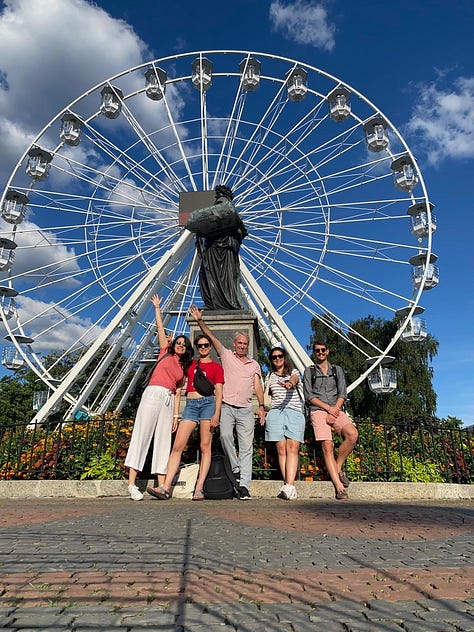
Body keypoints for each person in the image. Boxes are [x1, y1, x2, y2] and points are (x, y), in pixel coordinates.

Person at [189, 304, 266, 500]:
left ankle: (244, 486)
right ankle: (236, 467)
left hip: (246, 409)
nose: (242, 346)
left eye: (245, 344)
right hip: (227, 406)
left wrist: (262, 406)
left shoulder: (254, 364)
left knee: (247, 447)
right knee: (224, 437)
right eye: (239, 343)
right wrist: (199, 320)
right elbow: (212, 338)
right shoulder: (226, 355)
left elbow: (257, 386)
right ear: (234, 344)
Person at [125, 294, 194, 500]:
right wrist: (157, 308)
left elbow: (178, 391)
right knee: (142, 434)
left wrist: (175, 416)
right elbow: (161, 329)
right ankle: (132, 484)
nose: (180, 344)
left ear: (187, 348)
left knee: (164, 441)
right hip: (153, 393)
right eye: (179, 342)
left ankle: (162, 485)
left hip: (168, 398)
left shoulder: (184, 367)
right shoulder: (165, 351)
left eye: (184, 344)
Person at [146, 333, 224, 500]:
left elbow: (219, 393)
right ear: (196, 348)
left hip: (208, 404)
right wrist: (167, 343)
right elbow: (178, 380)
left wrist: (217, 412)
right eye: (200, 345)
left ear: (210, 347)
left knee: (205, 446)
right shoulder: (190, 365)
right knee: (177, 446)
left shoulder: (217, 368)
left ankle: (199, 488)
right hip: (191, 405)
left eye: (206, 345)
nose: (203, 348)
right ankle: (165, 488)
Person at [303, 341, 358, 500]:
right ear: (314, 353)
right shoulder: (309, 371)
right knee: (327, 445)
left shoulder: (337, 370)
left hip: (336, 408)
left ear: (328, 351)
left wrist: (334, 410)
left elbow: (343, 392)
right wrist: (328, 408)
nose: (320, 353)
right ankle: (339, 487)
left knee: (352, 434)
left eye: (323, 350)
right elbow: (309, 396)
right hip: (318, 410)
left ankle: (337, 467)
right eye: (317, 350)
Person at [185, 185, 248, 310]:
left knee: (220, 277)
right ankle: (212, 303)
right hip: (212, 249)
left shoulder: (225, 206)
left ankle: (221, 304)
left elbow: (238, 228)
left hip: (221, 250)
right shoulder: (222, 208)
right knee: (207, 277)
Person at [264, 346, 305, 500]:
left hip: (294, 412)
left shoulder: (293, 373)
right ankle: (288, 485)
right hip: (276, 413)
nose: (277, 359)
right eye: (274, 357)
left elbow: (294, 380)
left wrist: (289, 384)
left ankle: (289, 485)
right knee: (281, 449)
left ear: (284, 357)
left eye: (280, 356)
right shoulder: (269, 376)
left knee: (293, 447)